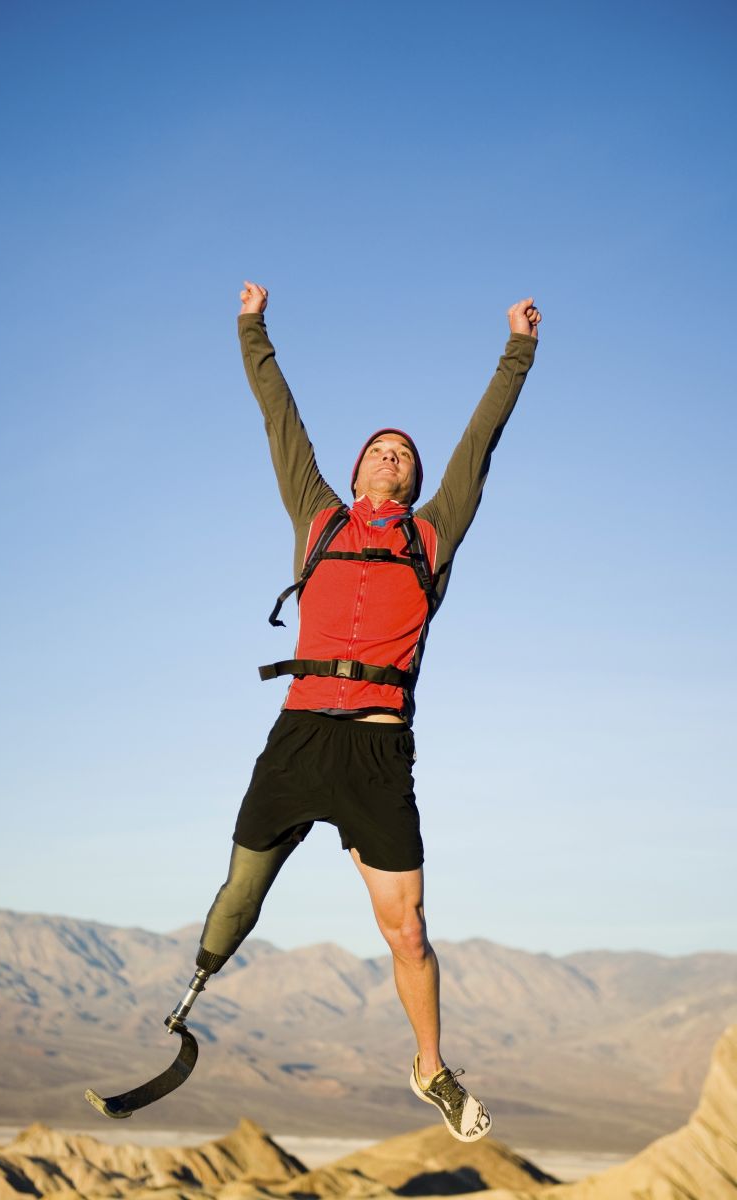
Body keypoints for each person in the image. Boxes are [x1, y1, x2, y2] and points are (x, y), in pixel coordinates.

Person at [194, 282, 540, 1142]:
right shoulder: (315, 517)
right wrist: (252, 327)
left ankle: (430, 1068)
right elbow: (281, 416)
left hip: (378, 753)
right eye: (379, 449)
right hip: (299, 736)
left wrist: (517, 350)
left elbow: (480, 441)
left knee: (409, 931)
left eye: (403, 454)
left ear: (417, 480)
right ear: (352, 472)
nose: (391, 456)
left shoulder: (432, 536)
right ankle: (191, 994)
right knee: (242, 890)